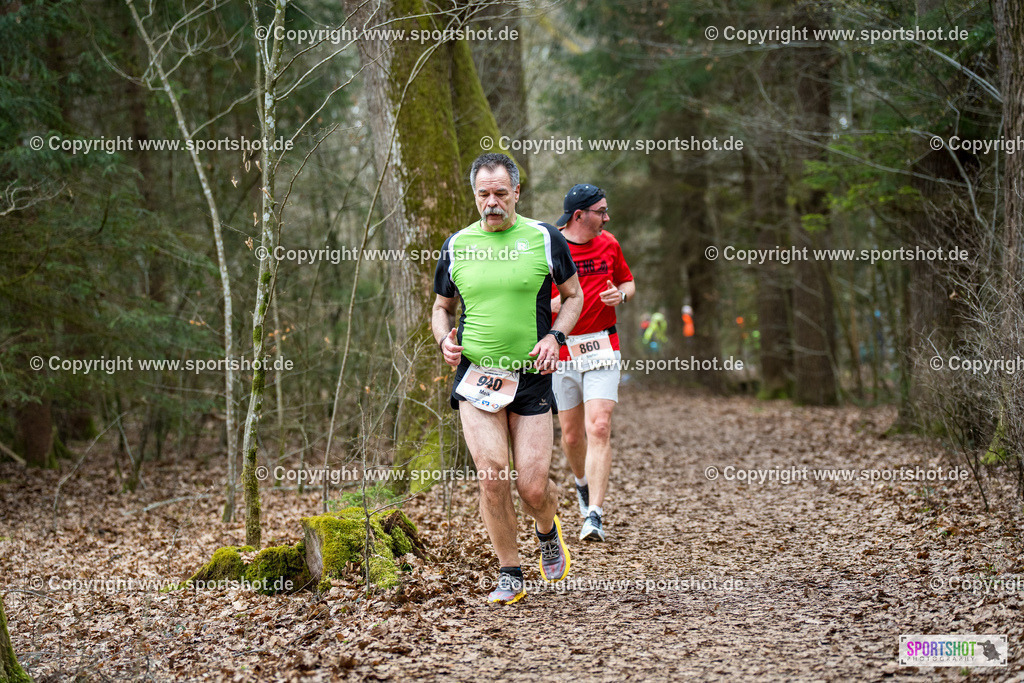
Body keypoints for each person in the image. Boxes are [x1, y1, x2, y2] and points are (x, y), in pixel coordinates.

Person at [432, 153, 583, 605]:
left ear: (517, 192)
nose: (492, 203)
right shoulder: (456, 245)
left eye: (501, 193)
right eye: (483, 194)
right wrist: (444, 340)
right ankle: (510, 572)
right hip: (477, 377)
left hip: (533, 377)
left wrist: (556, 336)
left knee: (533, 487)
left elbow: (573, 296)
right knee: (493, 475)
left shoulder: (544, 238)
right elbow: (441, 307)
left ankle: (546, 527)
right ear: (474, 195)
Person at [549, 184, 635, 542]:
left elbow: (628, 283)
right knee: (571, 434)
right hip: (563, 348)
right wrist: (553, 307)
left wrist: (621, 295)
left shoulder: (609, 243)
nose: (607, 217)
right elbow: (535, 295)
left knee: (598, 426)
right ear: (579, 215)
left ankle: (595, 515)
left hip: (602, 345)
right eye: (601, 211)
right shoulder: (550, 246)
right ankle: (582, 485)